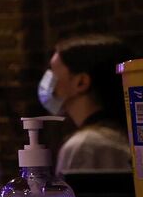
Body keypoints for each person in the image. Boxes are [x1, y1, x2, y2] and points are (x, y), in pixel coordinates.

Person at [43, 34, 137, 173]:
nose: (47, 81)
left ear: (81, 82)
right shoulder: (125, 138)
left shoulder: (84, 146)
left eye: (53, 72)